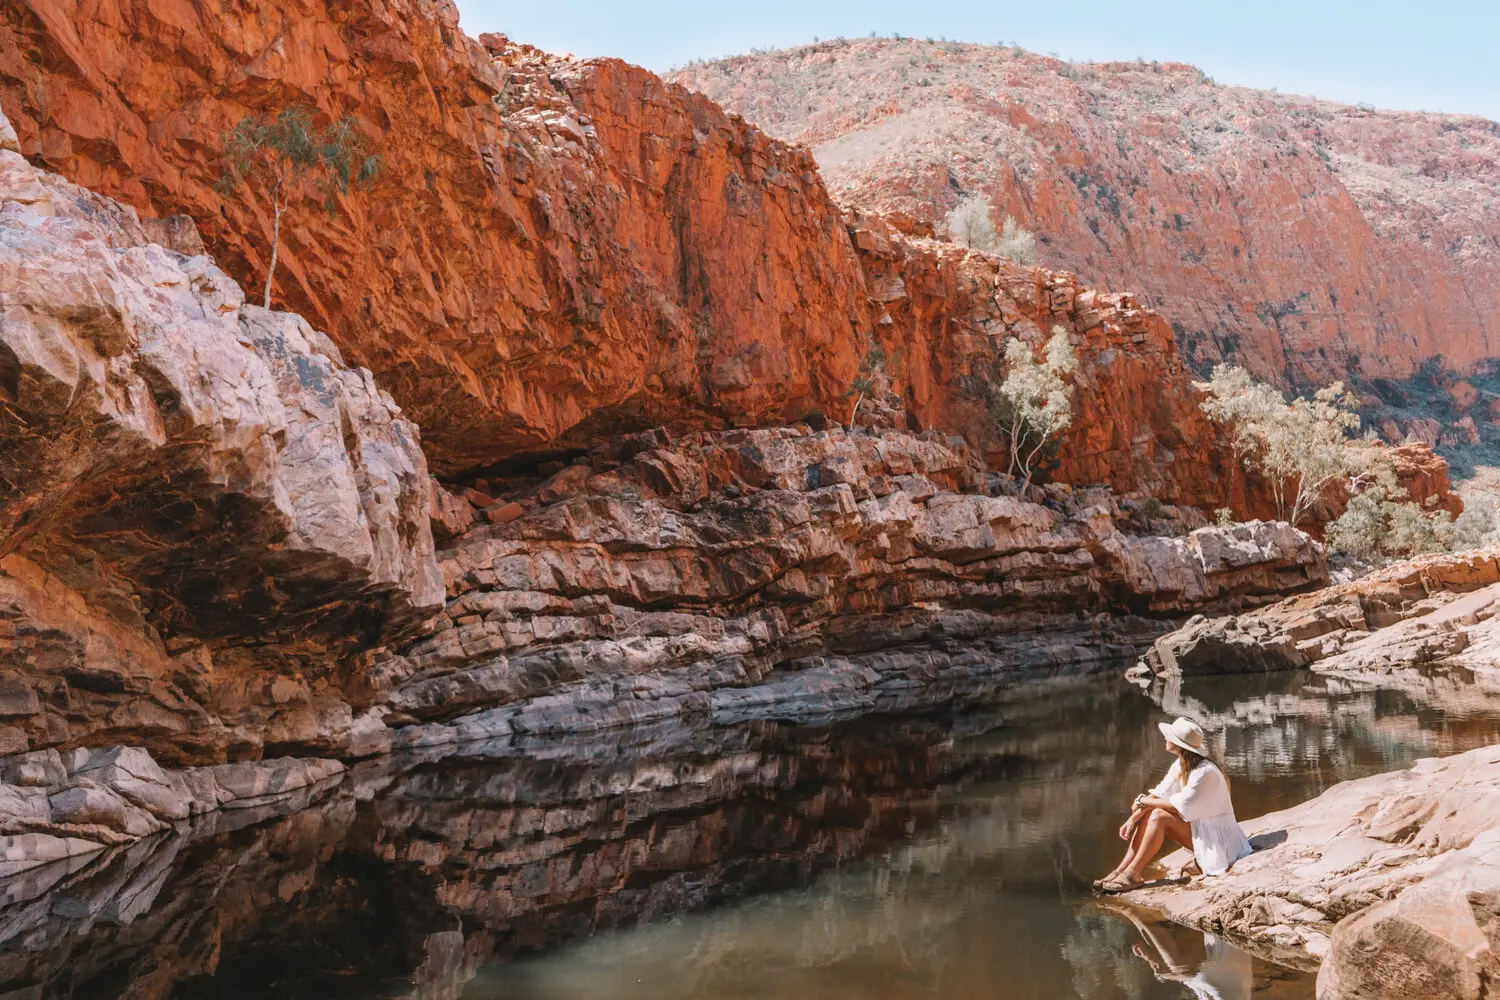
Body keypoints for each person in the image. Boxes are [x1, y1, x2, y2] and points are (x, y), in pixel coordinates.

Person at [1096, 717, 1252, 892]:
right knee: (1150, 813)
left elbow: (1177, 806)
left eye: (1169, 736)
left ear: (1180, 744)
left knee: (1158, 815)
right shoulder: (1181, 764)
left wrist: (1142, 801)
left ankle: (1133, 874)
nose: (1165, 738)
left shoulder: (1204, 772)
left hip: (1218, 840)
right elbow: (1160, 793)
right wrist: (1134, 817)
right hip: (1202, 829)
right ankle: (1121, 870)